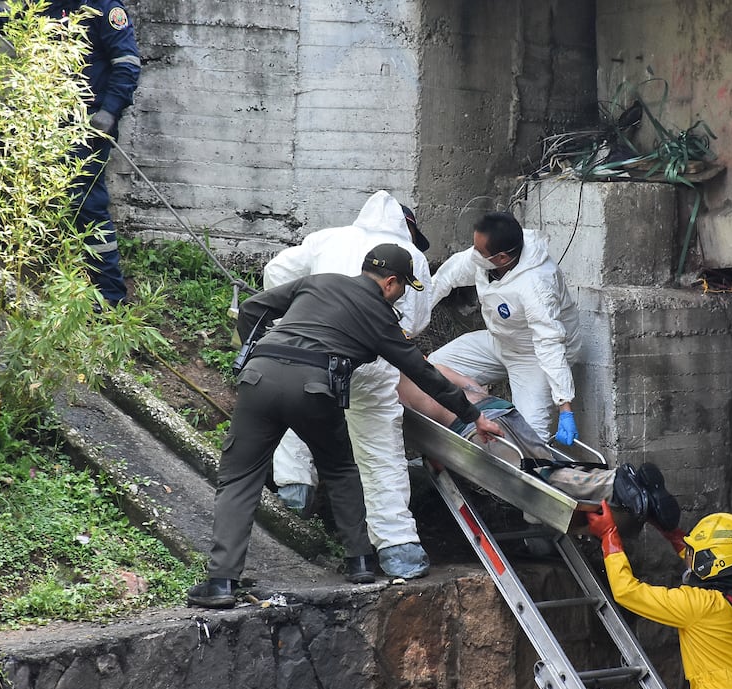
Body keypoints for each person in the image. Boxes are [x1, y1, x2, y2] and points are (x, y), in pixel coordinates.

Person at [187, 244, 501, 609]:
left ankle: (221, 582)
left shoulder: (318, 282)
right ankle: (360, 562)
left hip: (260, 377)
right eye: (402, 288)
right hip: (313, 388)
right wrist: (474, 415)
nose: (400, 295)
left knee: (239, 478)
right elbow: (424, 374)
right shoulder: (381, 315)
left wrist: (254, 352)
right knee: (338, 468)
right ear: (391, 283)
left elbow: (254, 307)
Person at [261, 191, 436, 579]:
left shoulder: (327, 238)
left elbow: (275, 272)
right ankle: (398, 549)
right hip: (372, 360)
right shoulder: (413, 255)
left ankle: (293, 492)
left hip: (314, 353)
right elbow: (418, 319)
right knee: (379, 451)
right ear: (406, 227)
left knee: (298, 415)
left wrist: (299, 312)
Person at [0, 0, 140, 306]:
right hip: (38, 114)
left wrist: (109, 111)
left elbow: (127, 63)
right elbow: (17, 18)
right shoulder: (42, 3)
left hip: (85, 121)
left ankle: (110, 298)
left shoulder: (105, 8)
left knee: (85, 204)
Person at [397, 366, 680, 531]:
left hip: (471, 425)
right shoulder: (428, 364)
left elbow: (416, 426)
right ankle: (639, 490)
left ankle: (614, 481)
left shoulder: (391, 383)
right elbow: (474, 385)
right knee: (546, 465)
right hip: (500, 410)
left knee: (537, 479)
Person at [584, 504, 732, 689]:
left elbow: (626, 592)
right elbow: (704, 564)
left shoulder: (698, 606)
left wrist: (609, 536)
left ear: (714, 562)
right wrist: (670, 532)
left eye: (697, 555)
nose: (691, 559)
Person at [427, 211, 582, 446]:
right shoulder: (485, 259)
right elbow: (443, 280)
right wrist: (409, 323)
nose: (474, 254)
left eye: (479, 251)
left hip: (534, 357)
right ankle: (465, 432)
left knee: (529, 437)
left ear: (501, 258)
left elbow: (549, 342)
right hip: (500, 340)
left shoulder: (536, 284)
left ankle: (530, 475)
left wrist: (565, 407)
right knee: (433, 370)